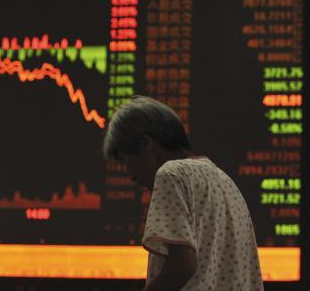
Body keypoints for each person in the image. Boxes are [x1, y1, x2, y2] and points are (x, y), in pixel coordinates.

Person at [103, 96, 264, 291]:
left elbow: (182, 266)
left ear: (145, 144)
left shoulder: (170, 174)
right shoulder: (226, 182)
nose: (130, 175)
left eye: (125, 159)